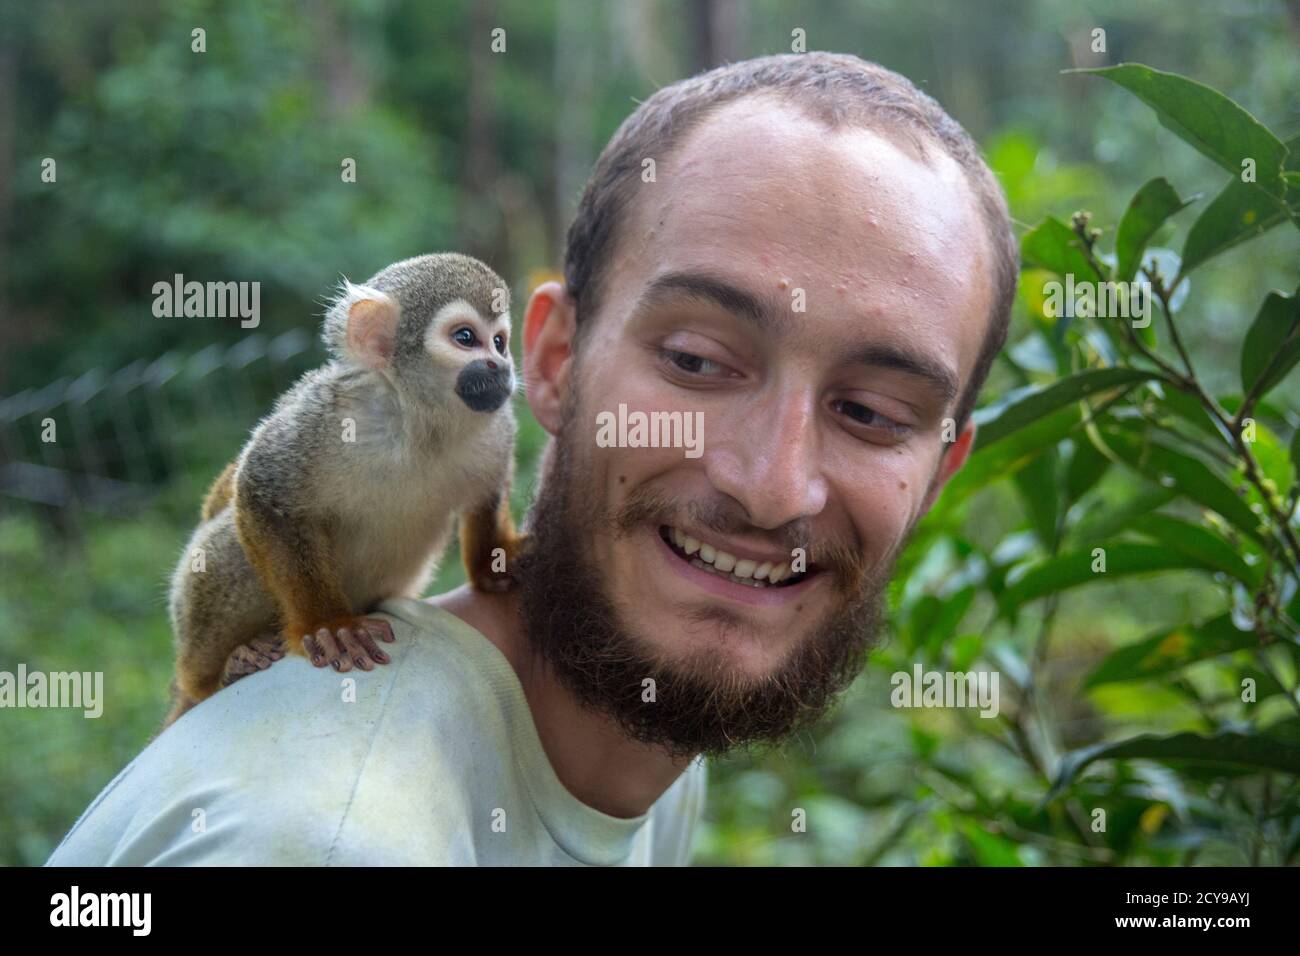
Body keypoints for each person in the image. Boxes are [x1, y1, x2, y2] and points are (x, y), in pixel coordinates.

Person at [46, 50, 1017, 867]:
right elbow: (262, 499)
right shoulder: (327, 833)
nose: (768, 485)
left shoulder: (647, 747)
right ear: (555, 365)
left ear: (940, 470)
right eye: (694, 360)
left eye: (871, 410)